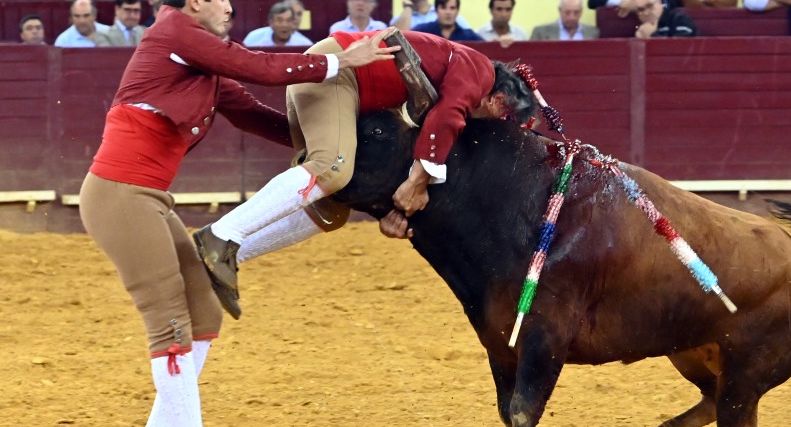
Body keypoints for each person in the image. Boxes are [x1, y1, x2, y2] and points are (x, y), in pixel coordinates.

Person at [78, 0, 398, 427]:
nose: (230, 7)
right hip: (120, 197)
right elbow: (259, 67)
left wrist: (329, 146)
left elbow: (254, 113)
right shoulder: (174, 32)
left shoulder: (197, 61)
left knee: (202, 307)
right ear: (195, 0)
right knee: (169, 324)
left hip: (146, 198)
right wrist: (340, 61)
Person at [192, 29, 538, 317]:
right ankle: (222, 234)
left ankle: (224, 255)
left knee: (331, 208)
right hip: (339, 72)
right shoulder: (480, 71)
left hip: (341, 84)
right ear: (498, 101)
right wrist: (417, 182)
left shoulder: (458, 74)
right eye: (504, 120)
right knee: (330, 170)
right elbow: (447, 117)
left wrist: (389, 209)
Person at [412, 0, 484, 40]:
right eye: (443, 8)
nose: (448, 12)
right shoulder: (421, 32)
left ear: (457, 11)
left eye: (452, 8)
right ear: (436, 10)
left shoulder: (469, 36)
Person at [243, 0, 313, 46]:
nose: (285, 25)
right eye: (280, 20)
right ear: (271, 22)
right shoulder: (253, 38)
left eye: (288, 20)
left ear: (292, 23)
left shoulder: (305, 44)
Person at [530, 0, 599, 39]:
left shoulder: (593, 33)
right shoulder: (541, 33)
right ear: (560, 10)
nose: (572, 17)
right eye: (567, 12)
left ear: (581, 11)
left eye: (576, 12)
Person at [633, 0, 697, 37]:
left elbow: (681, 47)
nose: (646, 13)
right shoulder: (639, 28)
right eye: (641, 10)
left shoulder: (679, 18)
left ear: (659, 2)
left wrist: (653, 35)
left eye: (650, 6)